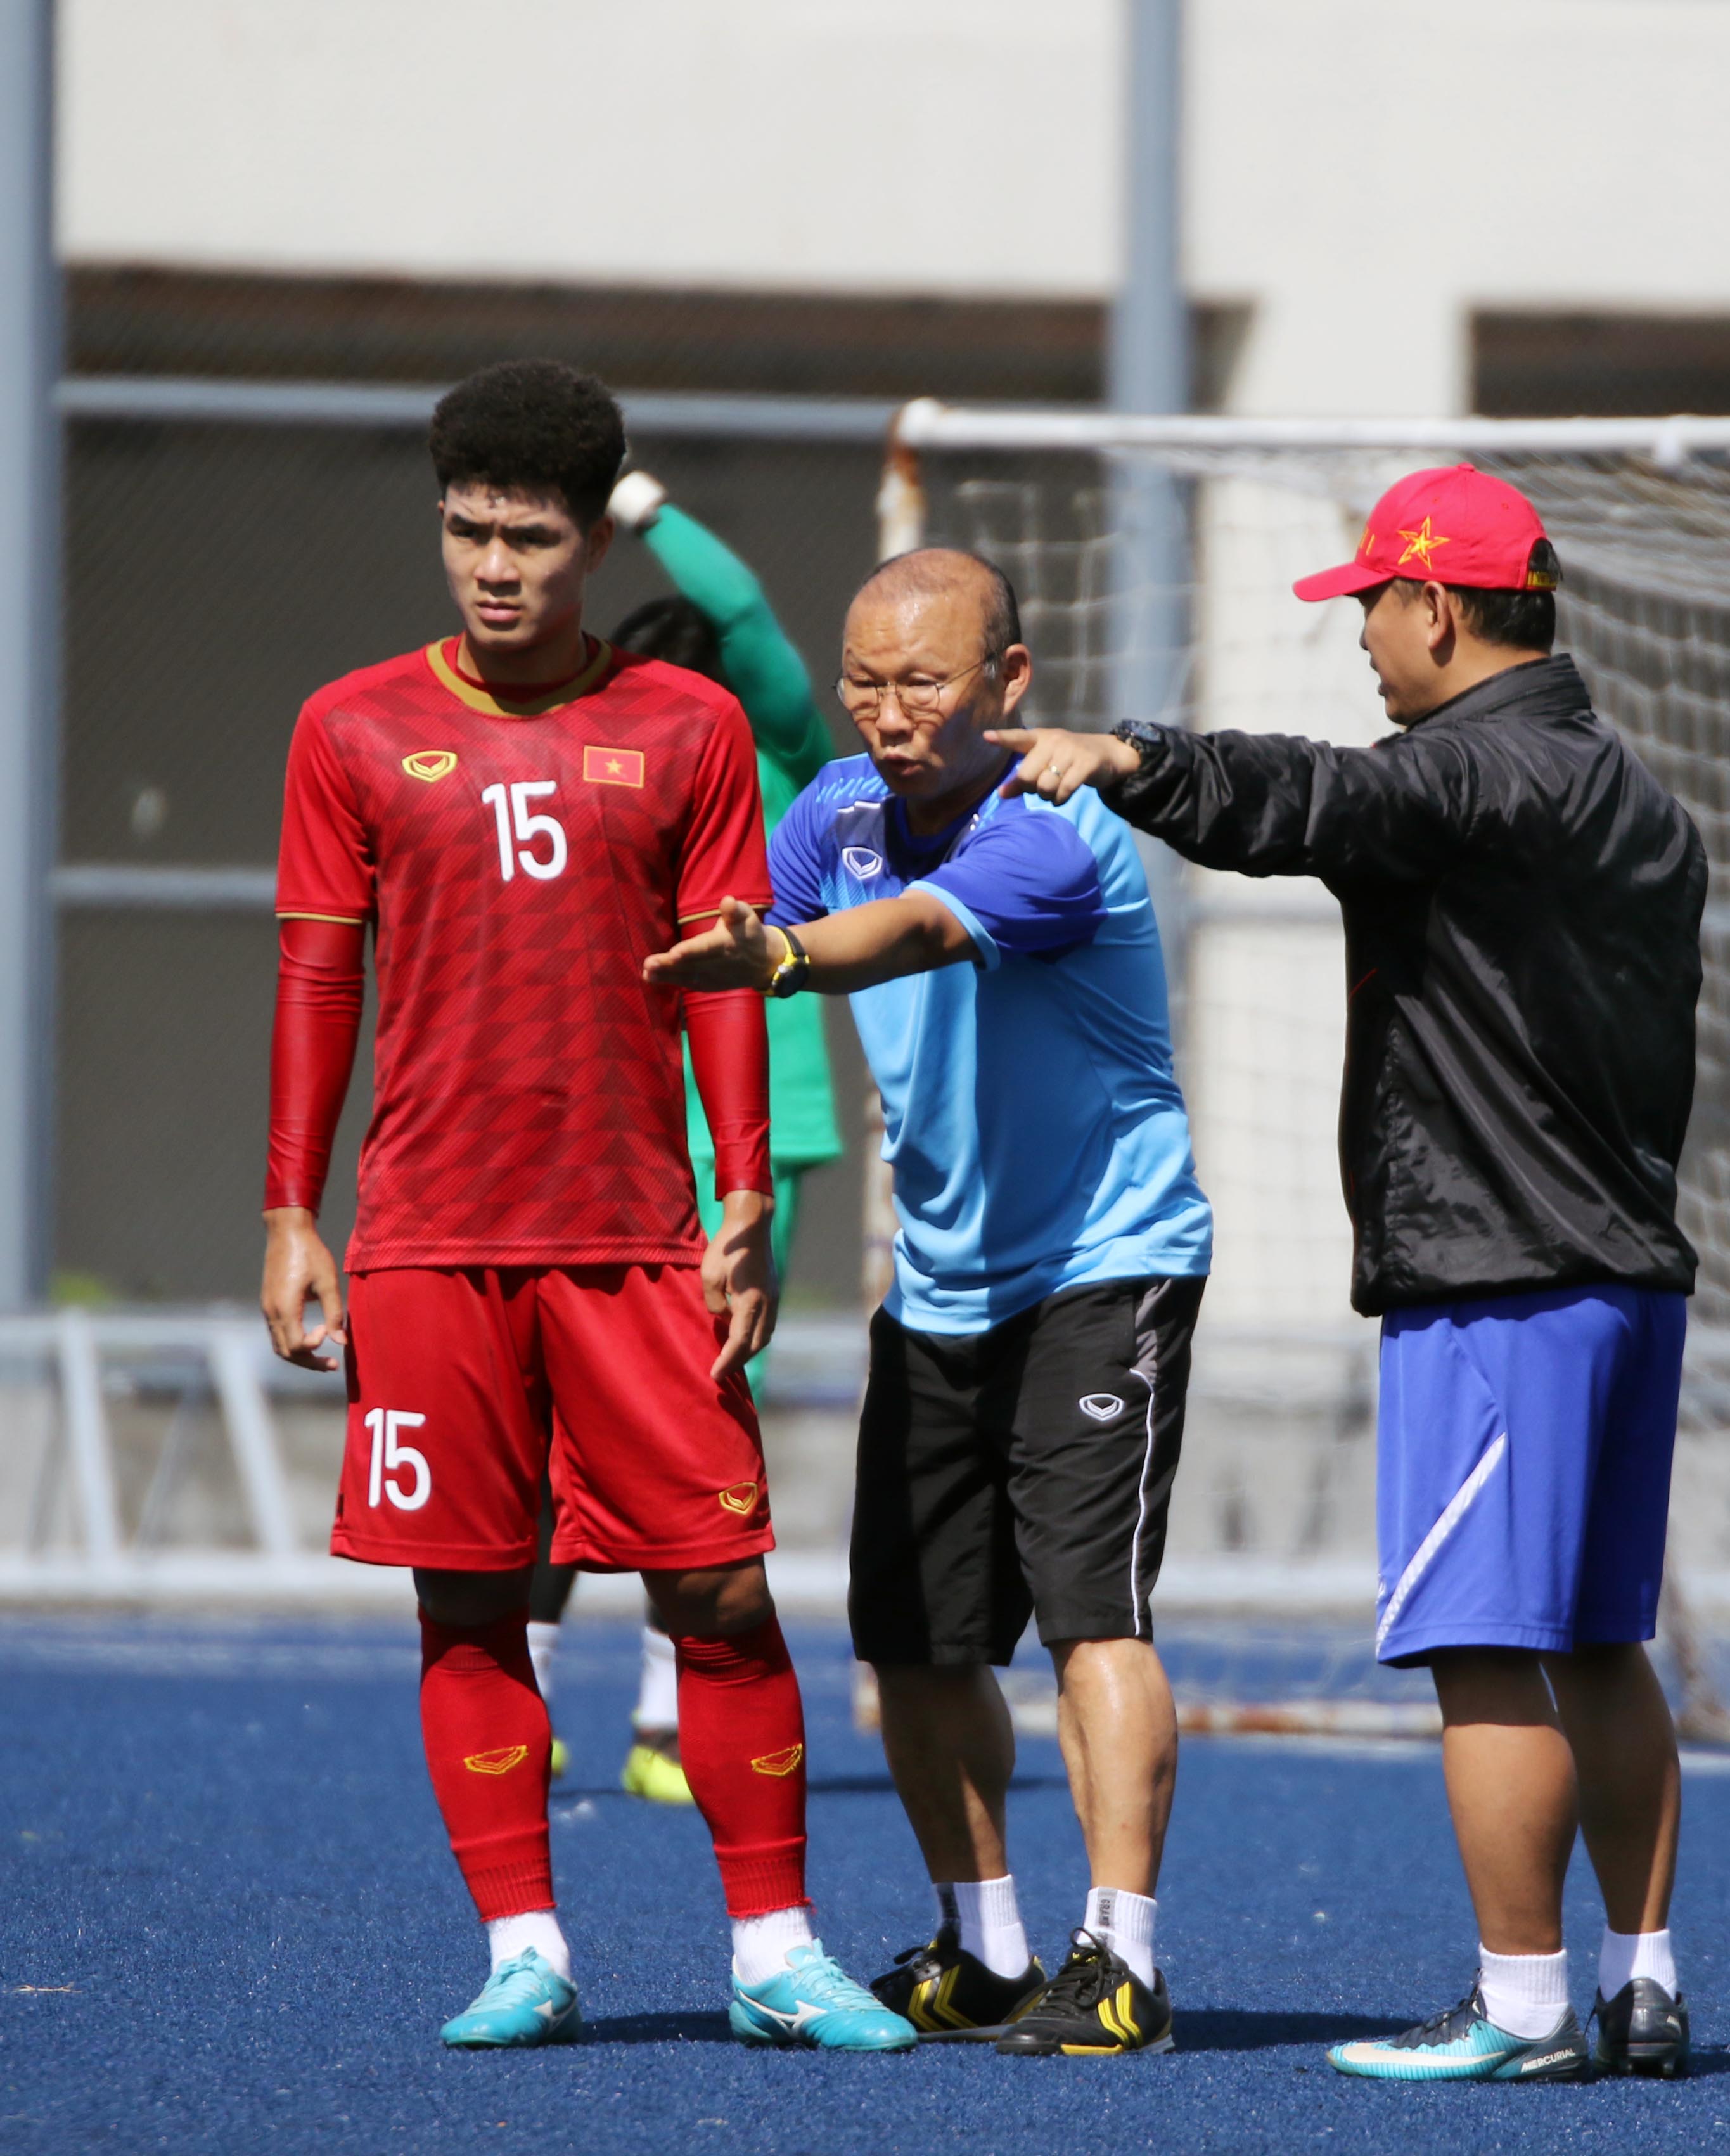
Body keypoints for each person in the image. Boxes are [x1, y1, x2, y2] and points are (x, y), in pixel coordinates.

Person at [992, 464, 1703, 2083]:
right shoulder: (1640, 802)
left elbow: (1320, 798)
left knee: (1480, 1640)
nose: (1363, 641)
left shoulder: (1471, 774)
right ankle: (1641, 1983)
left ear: (1439, 606)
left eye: (1372, 606)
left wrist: (1133, 759)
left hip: (1500, 1279)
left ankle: (1522, 2005)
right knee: (1600, 1639)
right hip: (1625, 1275)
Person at [258, 358, 913, 2055]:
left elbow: (723, 982)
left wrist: (752, 1193)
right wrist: (290, 1212)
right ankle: (524, 1949)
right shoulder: (347, 726)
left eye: (530, 538)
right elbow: (317, 973)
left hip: (635, 1237)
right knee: (470, 1598)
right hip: (426, 1239)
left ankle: (773, 1950)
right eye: (468, 531)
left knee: (718, 1586)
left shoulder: (686, 727)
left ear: (584, 545)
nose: (493, 566)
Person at [645, 548, 1213, 2057]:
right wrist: (742, 1193)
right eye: (866, 683)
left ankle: (1123, 1963)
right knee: (912, 1644)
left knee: (1094, 1617)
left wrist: (776, 951)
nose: (888, 716)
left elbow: (893, 936)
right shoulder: (831, 805)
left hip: (1106, 1264)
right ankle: (988, 1952)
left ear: (1009, 684)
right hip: (941, 1282)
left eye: (925, 683)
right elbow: (731, 940)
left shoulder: (1052, 830)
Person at [525, 472, 844, 1807]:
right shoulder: (584, 768)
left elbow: (748, 613)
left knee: (708, 1409)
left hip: (757, 1114)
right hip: (616, 1113)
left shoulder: (763, 743)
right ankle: (525, 1687)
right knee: (552, 1404)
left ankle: (670, 1718)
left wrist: (640, 501)